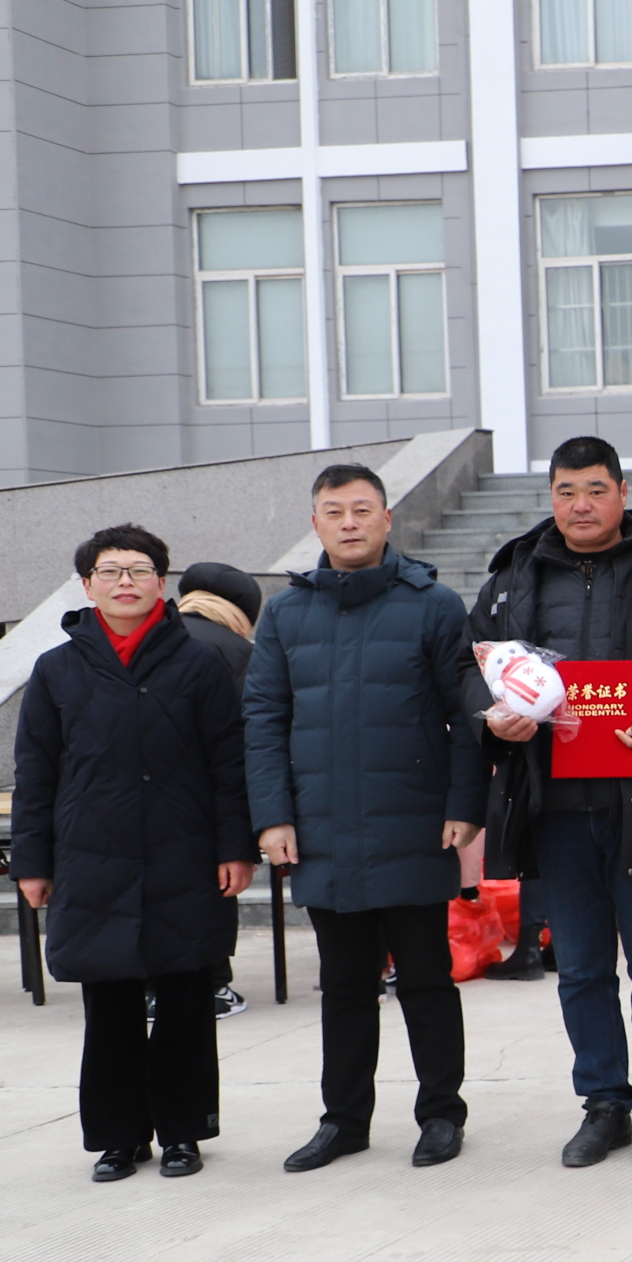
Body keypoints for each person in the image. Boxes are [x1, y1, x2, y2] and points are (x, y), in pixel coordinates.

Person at [466, 437, 632, 1169]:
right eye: (566, 492)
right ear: (551, 496)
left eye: (595, 490)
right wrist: (495, 718)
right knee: (580, 968)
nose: (580, 505)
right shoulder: (513, 577)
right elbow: (471, 664)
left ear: (622, 492)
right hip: (552, 806)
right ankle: (604, 1104)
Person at [246, 463, 488, 1172]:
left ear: (387, 519)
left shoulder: (433, 604)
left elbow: (466, 714)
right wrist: (273, 816)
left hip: (412, 823)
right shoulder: (286, 613)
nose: (348, 523)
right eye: (334, 511)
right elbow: (263, 719)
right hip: (322, 828)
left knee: (426, 980)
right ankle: (344, 1120)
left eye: (361, 509)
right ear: (315, 524)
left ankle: (440, 1114)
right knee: (344, 985)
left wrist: (463, 805)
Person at [12, 526, 254, 1182]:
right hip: (92, 856)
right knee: (110, 1005)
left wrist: (236, 846)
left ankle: (183, 1133)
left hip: (186, 853)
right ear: (87, 585)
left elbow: (229, 765)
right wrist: (32, 862)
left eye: (140, 570)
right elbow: (35, 773)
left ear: (162, 583)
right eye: (110, 571)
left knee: (185, 999)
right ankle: (118, 1138)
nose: (126, 581)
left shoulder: (198, 664)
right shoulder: (57, 670)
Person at [174, 560, 264, 1018]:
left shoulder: (154, 638)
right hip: (213, 797)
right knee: (215, 890)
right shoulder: (240, 652)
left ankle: (154, 988)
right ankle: (213, 985)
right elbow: (253, 732)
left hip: (149, 794)